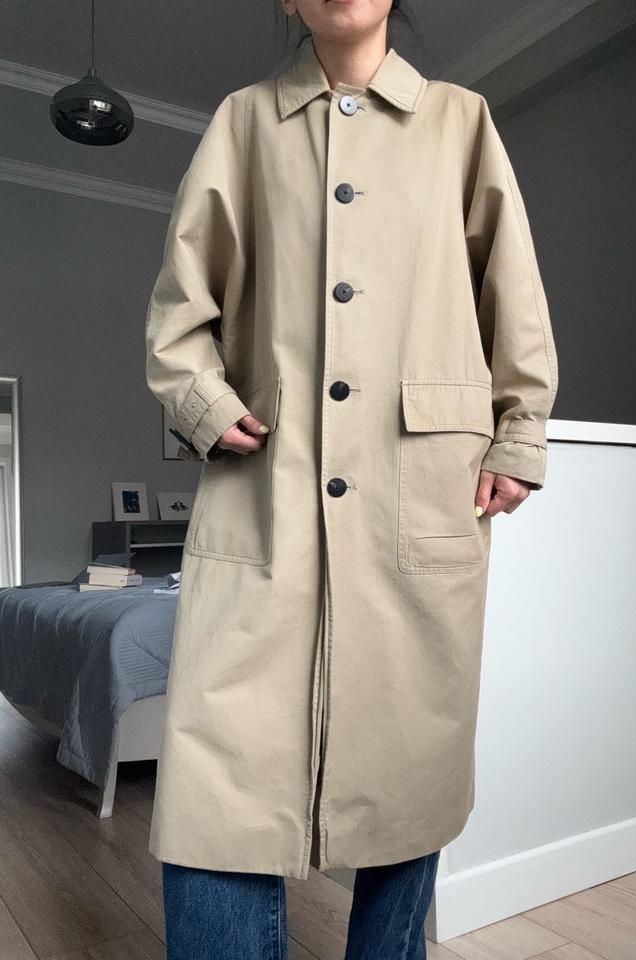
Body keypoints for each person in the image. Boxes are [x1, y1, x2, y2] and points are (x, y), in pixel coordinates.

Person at [145, 1, 559, 957]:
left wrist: (518, 434)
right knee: (216, 789)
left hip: (420, 496)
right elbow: (178, 310)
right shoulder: (242, 122)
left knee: (410, 772)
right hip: (264, 492)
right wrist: (203, 400)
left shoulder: (460, 121)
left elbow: (514, 292)